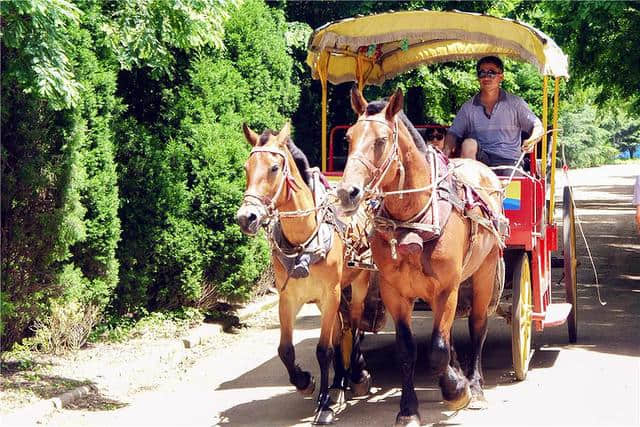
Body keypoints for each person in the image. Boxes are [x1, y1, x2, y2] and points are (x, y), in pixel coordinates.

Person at [444, 56, 544, 169]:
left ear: (501, 77)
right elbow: (453, 133)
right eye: (482, 73)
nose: (486, 77)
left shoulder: (515, 104)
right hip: (481, 161)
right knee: (468, 143)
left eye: (491, 73)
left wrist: (532, 139)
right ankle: (468, 183)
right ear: (478, 77)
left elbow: (537, 126)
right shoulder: (468, 108)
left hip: (509, 161)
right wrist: (445, 153)